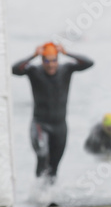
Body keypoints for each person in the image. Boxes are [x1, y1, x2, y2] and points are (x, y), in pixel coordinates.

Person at [12, 42, 94, 183]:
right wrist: (33, 55)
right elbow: (15, 70)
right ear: (42, 60)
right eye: (47, 60)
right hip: (40, 124)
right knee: (42, 155)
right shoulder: (34, 71)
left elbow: (89, 63)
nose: (51, 65)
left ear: (58, 59)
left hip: (60, 127)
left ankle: (49, 196)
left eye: (54, 60)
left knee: (54, 166)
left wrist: (67, 53)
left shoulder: (66, 69)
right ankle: (38, 190)